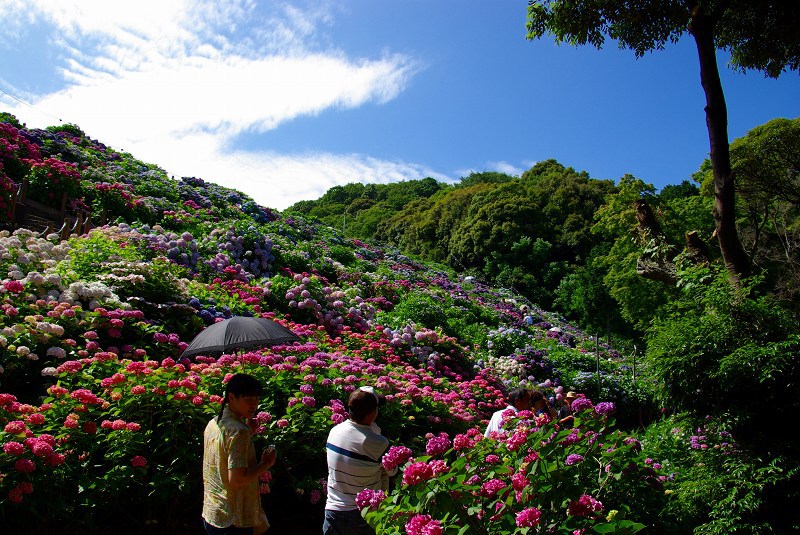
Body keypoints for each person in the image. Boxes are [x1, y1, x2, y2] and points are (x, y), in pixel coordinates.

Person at [203, 373, 277, 535]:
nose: (254, 405)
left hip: (213, 513)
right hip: (233, 520)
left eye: (256, 399)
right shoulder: (237, 431)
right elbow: (237, 480)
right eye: (248, 399)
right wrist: (266, 463)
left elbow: (223, 451)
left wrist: (248, 432)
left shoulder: (214, 423)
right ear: (231, 397)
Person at [324, 386, 395, 535]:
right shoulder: (377, 443)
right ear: (372, 413)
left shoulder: (335, 431)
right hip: (361, 516)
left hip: (333, 512)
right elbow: (392, 471)